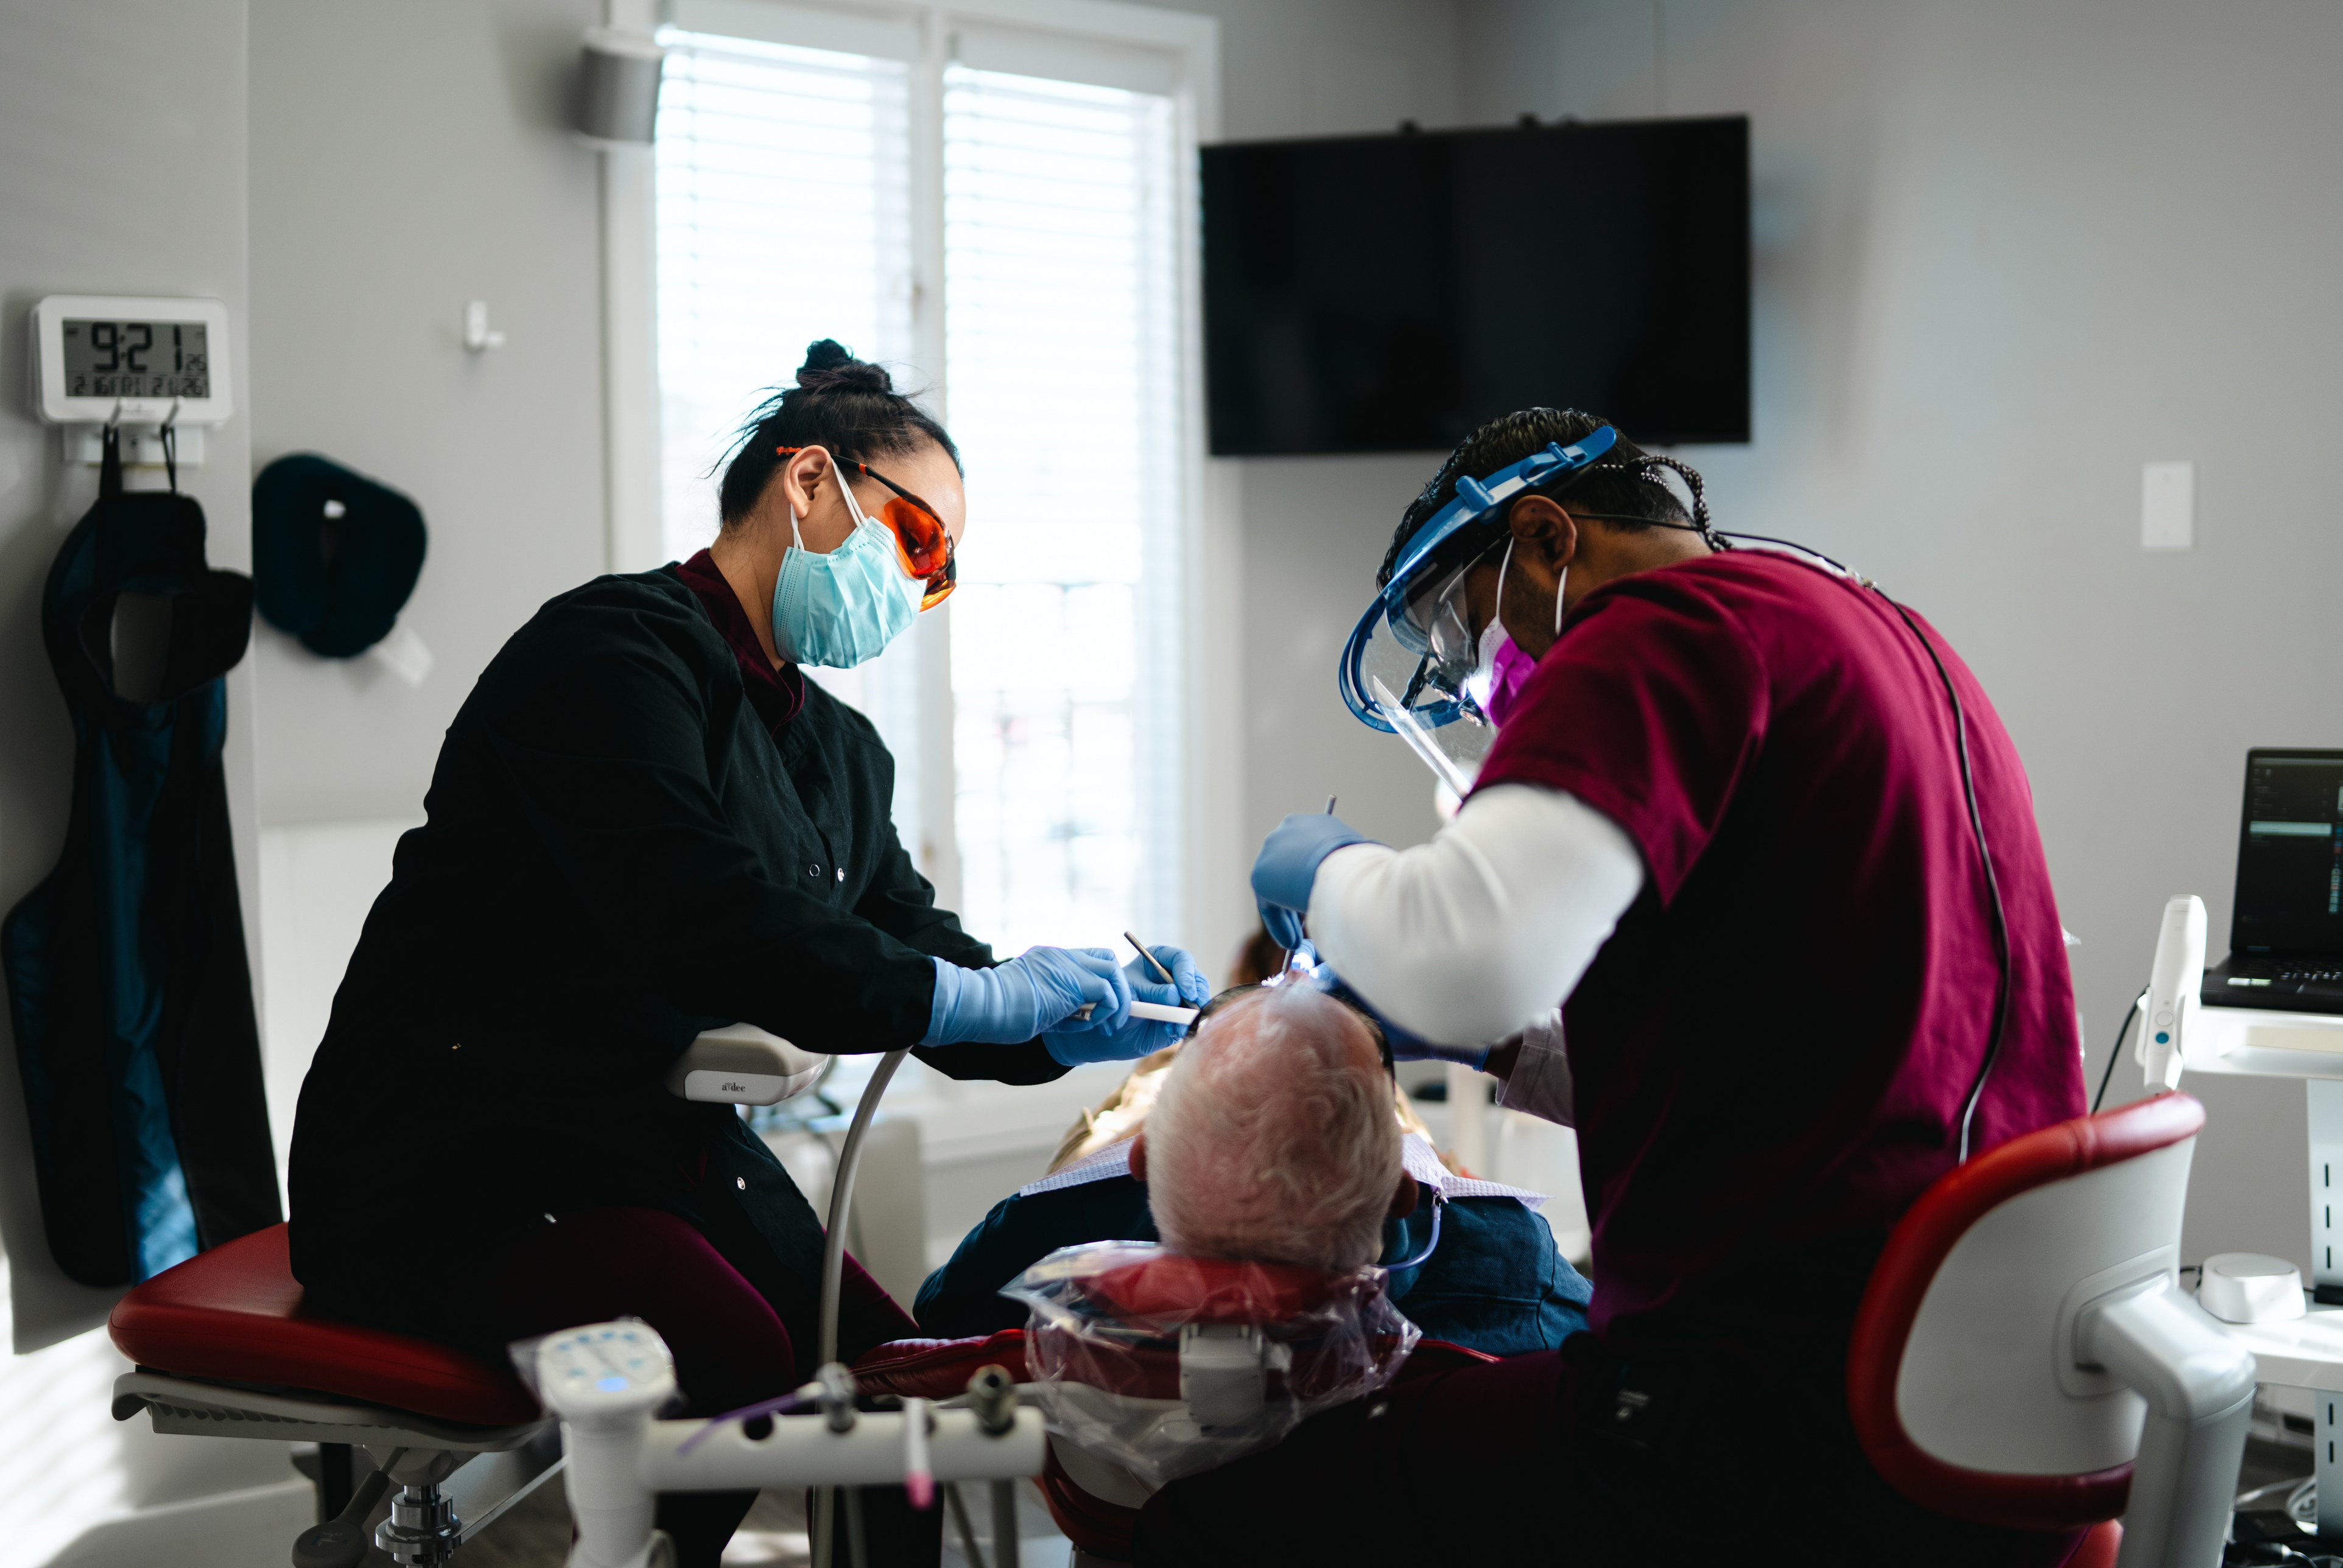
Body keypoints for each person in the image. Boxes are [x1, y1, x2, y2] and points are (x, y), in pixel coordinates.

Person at [286, 341, 1207, 1568]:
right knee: (744, 1362)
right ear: (812, 485)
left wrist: (1066, 1017)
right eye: (920, 542)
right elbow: (713, 921)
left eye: (944, 575)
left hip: (650, 1153)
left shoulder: (837, 752)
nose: (925, 587)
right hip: (464, 1162)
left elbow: (908, 944)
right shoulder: (608, 658)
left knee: (901, 1391)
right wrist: (975, 996)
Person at [1154, 408, 2087, 1566]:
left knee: (1220, 1485)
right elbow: (1787, 1060)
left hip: (1768, 1432)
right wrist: (1498, 1050)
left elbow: (1465, 956)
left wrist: (1326, 868)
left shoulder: (1659, 628)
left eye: (1469, 623)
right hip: (1974, 1403)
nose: (1481, 676)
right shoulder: (1875, 632)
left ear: (1546, 537)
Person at [915, 984, 1591, 1356]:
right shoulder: (1504, 1252)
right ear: (1400, 1187)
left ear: (1144, 1155)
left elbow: (940, 1323)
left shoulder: (1062, 1228)